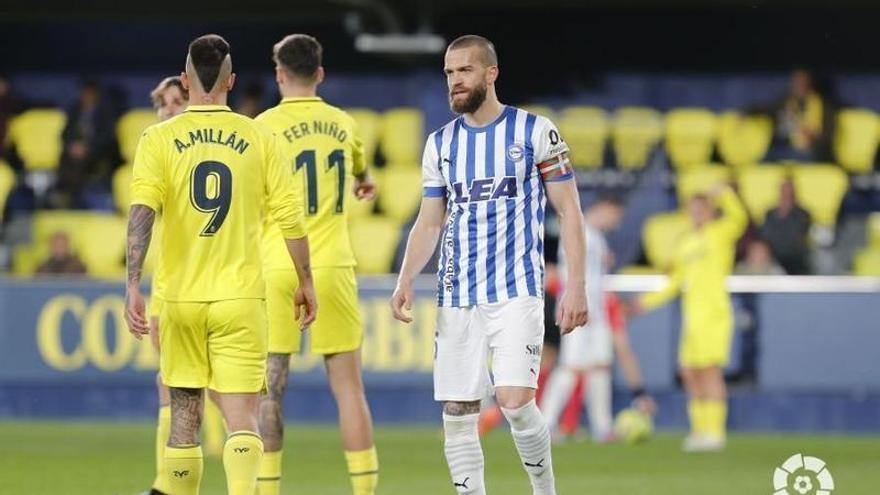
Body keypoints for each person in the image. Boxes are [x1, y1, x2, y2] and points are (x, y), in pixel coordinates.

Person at [390, 35, 588, 495]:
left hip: (516, 291)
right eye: (448, 73)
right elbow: (429, 221)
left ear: (490, 73)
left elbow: (570, 212)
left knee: (516, 403)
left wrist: (576, 286)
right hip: (457, 295)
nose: (454, 81)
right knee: (458, 413)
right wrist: (405, 279)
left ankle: (544, 490)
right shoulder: (440, 144)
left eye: (464, 71)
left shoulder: (535, 132)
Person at [123, 34, 317, 495]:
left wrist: (132, 283)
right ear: (231, 81)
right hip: (240, 300)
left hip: (180, 299)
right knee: (242, 420)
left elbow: (141, 213)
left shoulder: (158, 137)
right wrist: (305, 280)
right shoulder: (259, 136)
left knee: (184, 419)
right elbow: (291, 218)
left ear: (186, 80)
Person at [254, 34, 379, 495]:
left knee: (269, 387)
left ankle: (266, 490)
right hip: (331, 264)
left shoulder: (262, 126)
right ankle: (364, 491)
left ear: (279, 75)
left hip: (276, 262)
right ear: (320, 74)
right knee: (348, 387)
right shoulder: (343, 123)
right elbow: (362, 175)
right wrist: (365, 185)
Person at [140, 75, 227, 495]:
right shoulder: (159, 146)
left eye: (178, 101)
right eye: (164, 104)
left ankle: (234, 453)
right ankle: (165, 483)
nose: (170, 109)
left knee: (211, 384)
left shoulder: (201, 146)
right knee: (170, 378)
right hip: (169, 277)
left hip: (206, 277)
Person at [629, 185, 747, 452]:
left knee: (710, 371)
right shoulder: (686, 243)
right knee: (689, 372)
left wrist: (725, 194)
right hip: (692, 317)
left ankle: (715, 433)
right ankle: (699, 431)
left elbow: (739, 219)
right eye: (692, 209)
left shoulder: (720, 233)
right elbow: (675, 282)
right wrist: (644, 302)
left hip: (714, 315)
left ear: (709, 211)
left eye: (701, 209)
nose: (696, 214)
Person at [540, 196, 625, 442]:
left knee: (600, 366)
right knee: (570, 367)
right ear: (605, 208)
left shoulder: (596, 238)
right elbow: (568, 273)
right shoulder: (579, 232)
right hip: (578, 308)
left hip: (597, 312)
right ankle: (545, 424)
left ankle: (602, 428)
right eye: (614, 217)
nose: (615, 223)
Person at [50, 79, 119, 208]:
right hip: (74, 152)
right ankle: (61, 197)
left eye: (89, 93)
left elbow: (107, 138)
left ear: (96, 94)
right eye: (84, 93)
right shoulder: (75, 109)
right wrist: (72, 146)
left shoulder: (106, 112)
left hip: (96, 153)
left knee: (81, 165)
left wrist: (88, 149)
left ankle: (74, 201)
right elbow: (65, 133)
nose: (86, 96)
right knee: (65, 161)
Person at [761, 178, 812, 275]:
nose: (786, 194)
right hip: (773, 257)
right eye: (783, 190)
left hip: (796, 259)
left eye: (789, 190)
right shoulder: (769, 213)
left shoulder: (803, 214)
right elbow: (765, 236)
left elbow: (796, 238)